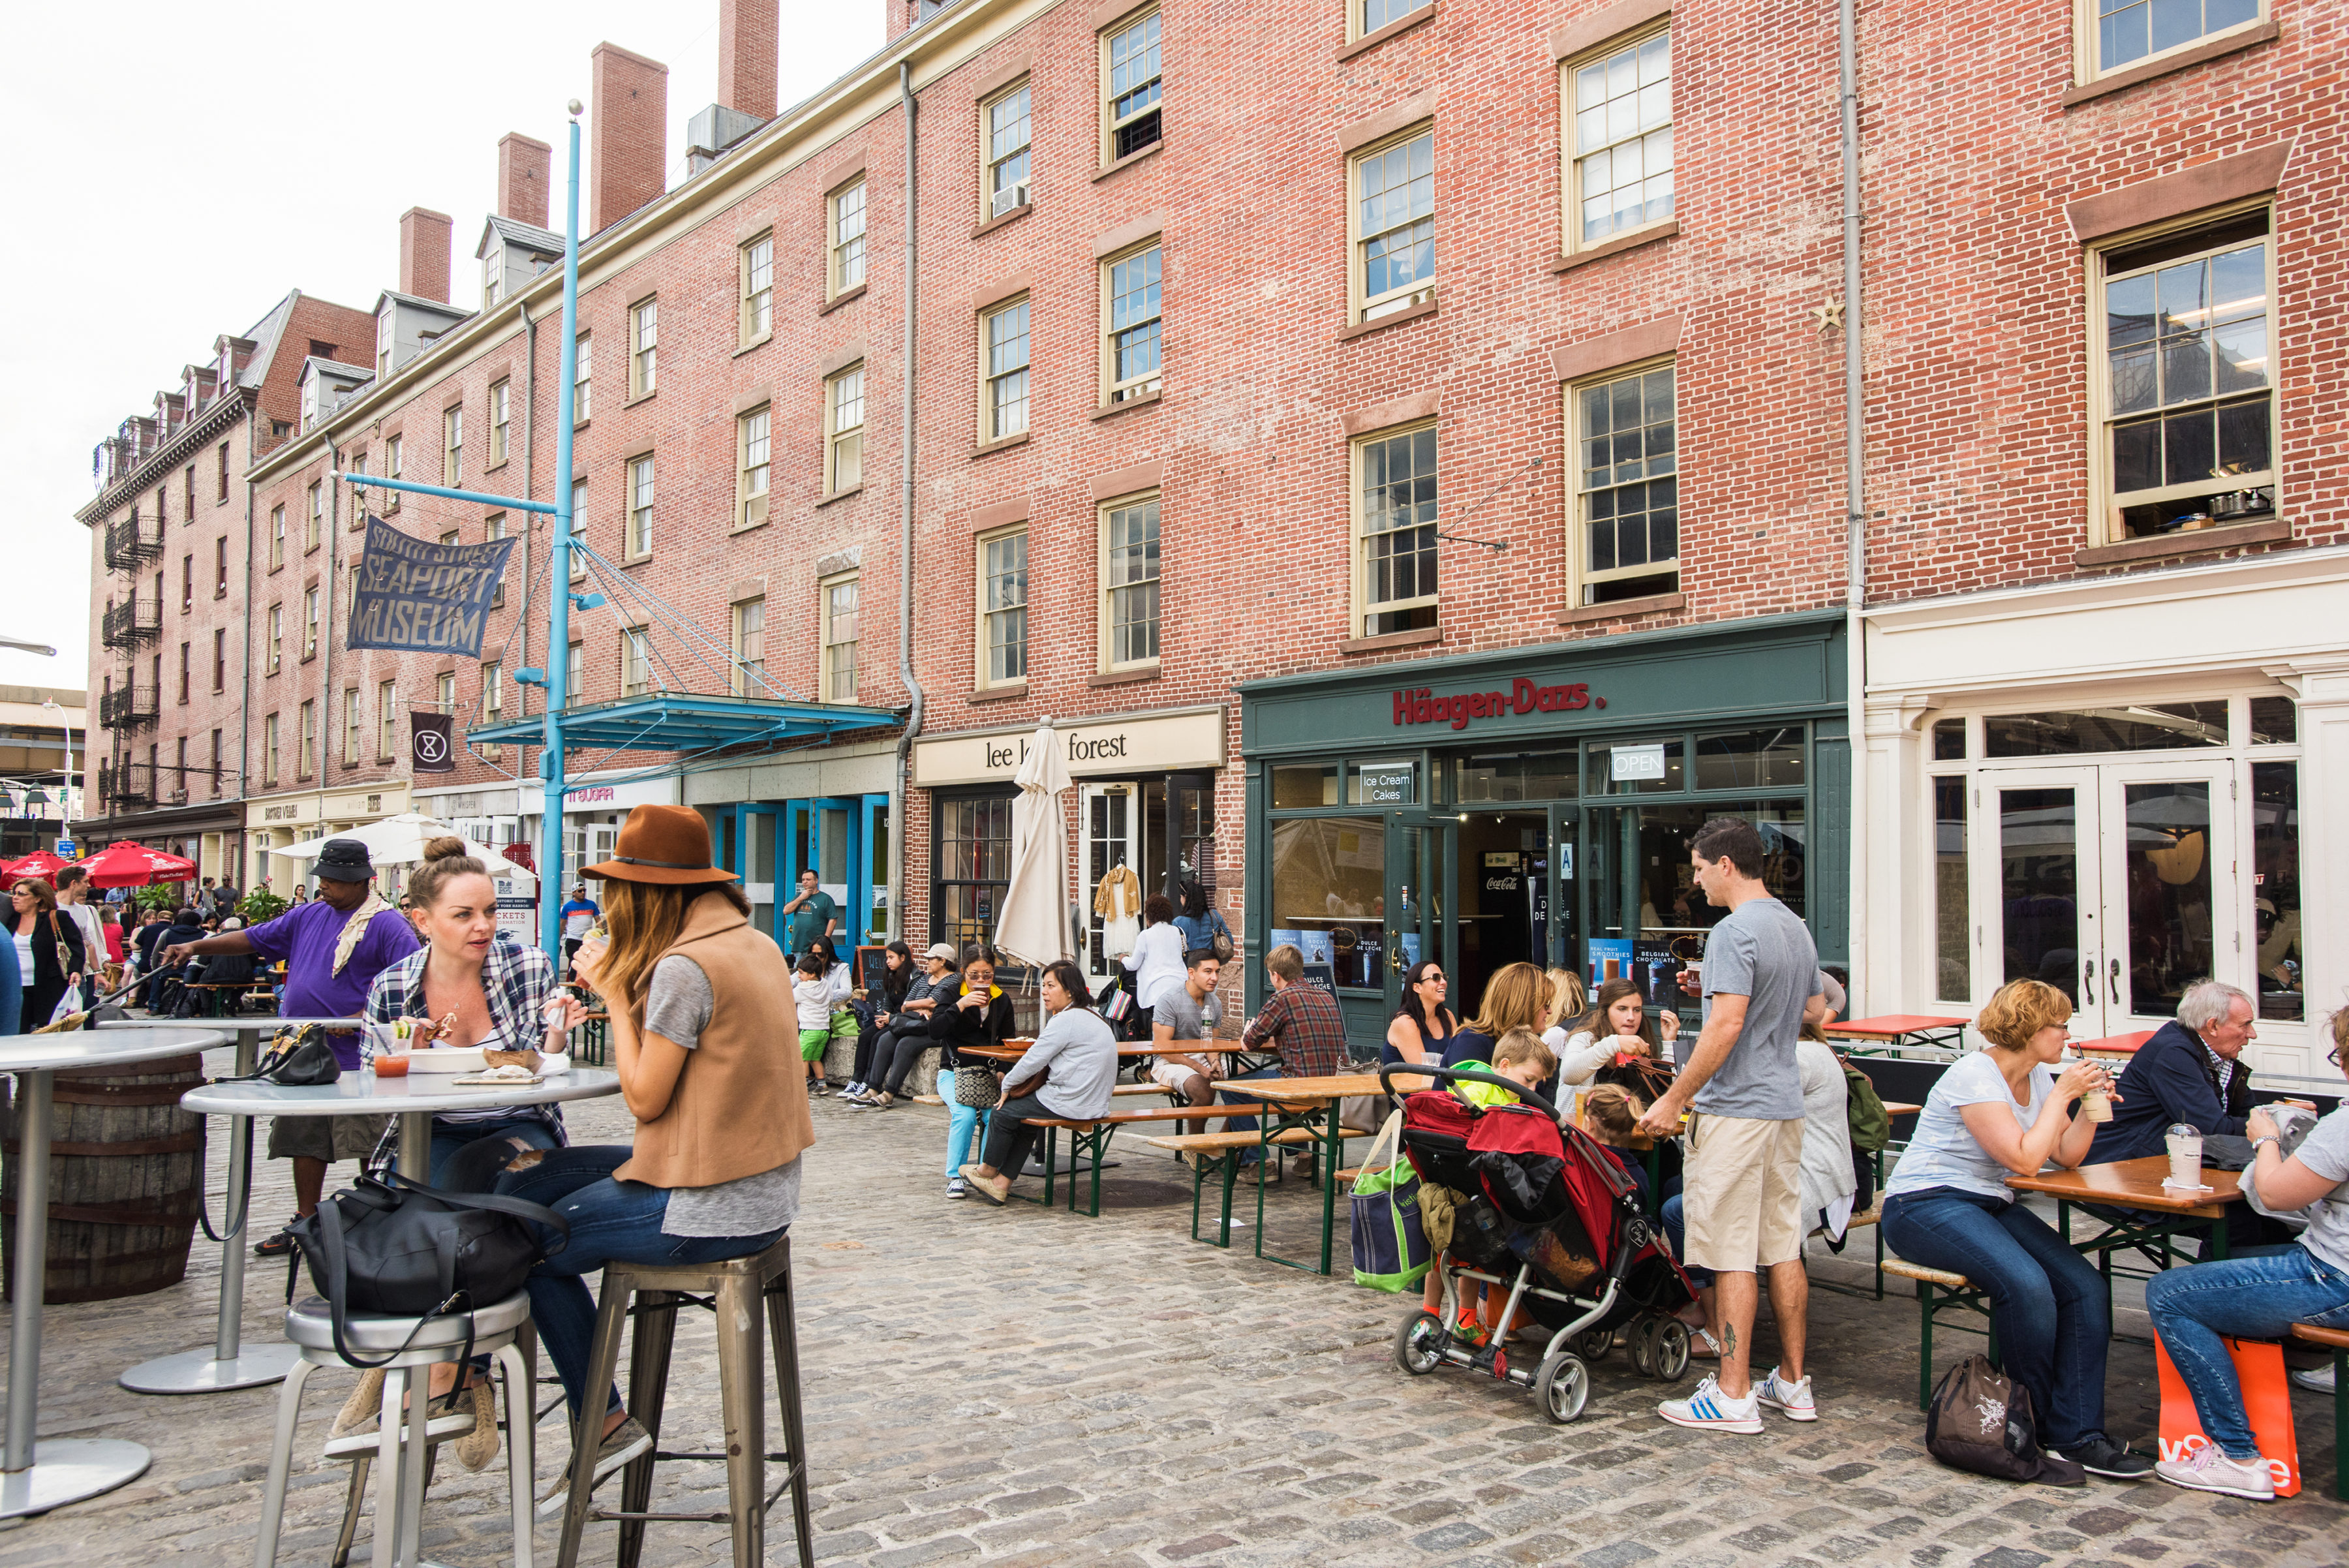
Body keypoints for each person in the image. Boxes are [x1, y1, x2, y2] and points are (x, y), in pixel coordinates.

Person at [489, 801, 809, 1513]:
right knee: (530, 1179)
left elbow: (644, 1098)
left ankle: (600, 1421)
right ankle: (474, 1371)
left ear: (642, 892)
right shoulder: (752, 943)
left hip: (711, 1205)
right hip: (762, 1188)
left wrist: (609, 990)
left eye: (616, 889)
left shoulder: (685, 967)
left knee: (521, 1239)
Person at [1881, 979, 2149, 1480]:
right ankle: (2025, 1426)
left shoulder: (2041, 1078)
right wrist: (2064, 1092)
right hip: (1925, 1202)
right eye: (2060, 1025)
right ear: (2029, 1027)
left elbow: (2066, 1155)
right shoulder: (1974, 1074)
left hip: (1988, 1203)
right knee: (2026, 1286)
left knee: (2085, 1287)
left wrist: (2087, 1103)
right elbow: (2025, 1159)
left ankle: (2078, 1433)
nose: (2068, 1035)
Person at [1640, 816, 1826, 1436]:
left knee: (1729, 1252)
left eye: (1696, 868)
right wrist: (1712, 988)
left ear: (1725, 865)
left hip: (1735, 1107)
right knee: (1780, 1245)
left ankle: (1733, 1389)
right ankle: (1793, 1383)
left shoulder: (1732, 929)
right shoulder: (1794, 928)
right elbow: (1808, 1007)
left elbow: (1725, 1028)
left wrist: (1675, 1098)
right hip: (1783, 1103)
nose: (1693, 880)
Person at [160, 839, 421, 1255]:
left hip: (360, 1059)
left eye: (336, 881)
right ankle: (308, 1222)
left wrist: (359, 1018)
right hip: (304, 1053)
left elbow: (410, 983)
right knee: (305, 1140)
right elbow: (251, 939)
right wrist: (195, 945)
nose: (326, 887)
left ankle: (378, 1221)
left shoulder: (388, 925)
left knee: (369, 1144)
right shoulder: (309, 915)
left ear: (363, 882)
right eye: (324, 879)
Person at [2142, 1005, 2349, 1501]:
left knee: (2170, 1293)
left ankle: (2237, 1455)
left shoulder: (2344, 1126)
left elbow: (2278, 1195)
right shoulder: (2177, 1053)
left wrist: (2268, 1138)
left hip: (2335, 1277)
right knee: (2233, 1256)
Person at [361, 839, 585, 1181]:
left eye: (490, 911)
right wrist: (407, 1053)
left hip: (518, 1120)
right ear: (423, 921)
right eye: (464, 914)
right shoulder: (391, 986)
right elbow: (368, 1089)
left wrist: (557, 1032)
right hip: (431, 1127)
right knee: (424, 1198)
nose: (483, 925)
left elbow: (547, 1065)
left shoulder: (528, 966)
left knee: (496, 1183)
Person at [2085, 979, 2284, 1252]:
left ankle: (2259, 1289)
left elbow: (2242, 1113)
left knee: (2277, 1216)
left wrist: (2281, 1112)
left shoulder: (2213, 1053)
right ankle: (2205, 1291)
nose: (2252, 1035)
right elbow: (2211, 1127)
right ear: (2212, 1025)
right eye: (2245, 1025)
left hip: (2173, 1164)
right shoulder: (2174, 1053)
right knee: (2238, 1219)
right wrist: (2274, 1127)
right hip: (2124, 1172)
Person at [959, 960, 1118, 1205]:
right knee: (1028, 1124)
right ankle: (1001, 1185)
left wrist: (1007, 1086)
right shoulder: (1094, 1015)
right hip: (1096, 1102)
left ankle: (987, 1171)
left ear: (1070, 991)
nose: (1044, 991)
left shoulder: (1066, 1020)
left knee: (1003, 1112)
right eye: (1043, 985)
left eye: (1050, 985)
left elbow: (1032, 1060)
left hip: (1072, 1100)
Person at [1223, 943, 1349, 1179]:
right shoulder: (1326, 996)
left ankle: (1259, 1162)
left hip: (1300, 1086)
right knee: (1285, 1077)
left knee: (1232, 1088)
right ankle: (1304, 1158)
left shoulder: (1281, 998)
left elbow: (1248, 1044)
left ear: (1275, 975)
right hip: (1333, 1086)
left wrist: (1250, 1029)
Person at [932, 944, 1016, 1199]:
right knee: (965, 1115)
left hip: (986, 1073)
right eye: (974, 975)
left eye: (987, 975)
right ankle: (955, 1176)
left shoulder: (1000, 999)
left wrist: (1002, 1069)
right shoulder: (950, 994)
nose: (981, 980)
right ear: (963, 972)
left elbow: (1008, 1040)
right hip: (954, 1071)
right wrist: (960, 1005)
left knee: (996, 1117)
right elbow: (934, 1030)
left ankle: (983, 1174)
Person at [853, 943, 962, 1109]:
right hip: (913, 1023)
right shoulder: (924, 979)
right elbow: (906, 1004)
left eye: (931, 959)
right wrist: (920, 1007)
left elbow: (935, 1003)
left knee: (906, 1044)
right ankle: (873, 1089)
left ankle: (889, 1093)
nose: (927, 962)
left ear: (942, 961)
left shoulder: (953, 980)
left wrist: (923, 1006)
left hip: (935, 1029)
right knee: (886, 1039)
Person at [1554, 977, 1681, 1088]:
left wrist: (1669, 1042)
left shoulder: (1641, 1038)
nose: (1631, 1017)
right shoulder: (1586, 1037)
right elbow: (1569, 1076)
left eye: (1637, 1010)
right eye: (1622, 1009)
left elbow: (1666, 1089)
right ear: (1605, 1011)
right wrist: (1615, 1043)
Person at [1151, 949, 1225, 1134]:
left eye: (1217, 972)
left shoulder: (1215, 1003)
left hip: (1204, 1057)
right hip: (1169, 1061)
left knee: (1248, 1083)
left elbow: (1212, 1043)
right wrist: (1200, 1068)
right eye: (1208, 972)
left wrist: (1215, 1062)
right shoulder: (1169, 1000)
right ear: (1191, 973)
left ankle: (1228, 1143)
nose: (1214, 977)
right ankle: (1195, 1146)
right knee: (1204, 1089)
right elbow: (1163, 1048)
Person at [1439, 962, 1553, 1070]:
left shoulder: (1528, 1045)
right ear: (1525, 1006)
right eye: (1546, 1004)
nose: (1550, 1011)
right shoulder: (1472, 1042)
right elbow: (1469, 1090)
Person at [842, 939, 916, 1100]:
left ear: (903, 958)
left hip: (903, 1020)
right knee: (864, 1037)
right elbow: (887, 1002)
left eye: (891, 957)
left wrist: (892, 1018)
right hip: (890, 1018)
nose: (888, 962)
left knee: (877, 1039)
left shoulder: (914, 978)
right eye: (887, 958)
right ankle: (857, 1079)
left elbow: (910, 1007)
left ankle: (869, 1083)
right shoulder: (891, 976)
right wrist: (882, 1017)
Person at [8, 880, 82, 1032]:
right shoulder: (10, 920)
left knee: (48, 1031)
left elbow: (77, 948)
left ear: (38, 898)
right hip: (17, 987)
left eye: (21, 894)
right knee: (18, 1032)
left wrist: (75, 970)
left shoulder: (57, 917)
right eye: (14, 893)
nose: (15, 897)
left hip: (49, 986)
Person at [1383, 958, 1457, 1094]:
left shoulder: (1448, 1016)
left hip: (1443, 1093)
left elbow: (1458, 1061)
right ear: (1417, 988)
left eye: (1443, 977)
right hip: (1412, 1101)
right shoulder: (1405, 1022)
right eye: (1436, 978)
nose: (1444, 982)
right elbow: (1423, 1075)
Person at [1120, 893, 1185, 1040]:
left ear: (1149, 916)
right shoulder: (1178, 932)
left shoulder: (1145, 935)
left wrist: (1123, 959)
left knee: (1160, 1035)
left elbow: (1133, 965)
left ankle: (1159, 1060)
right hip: (1180, 987)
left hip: (1156, 990)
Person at [53, 865, 106, 1007]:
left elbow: (88, 942)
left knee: (76, 1016)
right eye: (85, 881)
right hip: (55, 973)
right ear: (74, 883)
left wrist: (97, 972)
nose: (89, 885)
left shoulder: (81, 910)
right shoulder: (51, 907)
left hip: (78, 974)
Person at [144, 904, 207, 1010]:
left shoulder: (168, 932)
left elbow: (156, 953)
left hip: (170, 968)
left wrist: (155, 968)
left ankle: (154, 1006)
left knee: (158, 976)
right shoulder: (203, 934)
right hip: (192, 970)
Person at [779, 869, 837, 957]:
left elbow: (833, 920)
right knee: (800, 970)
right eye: (803, 880)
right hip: (798, 946)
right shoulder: (799, 896)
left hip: (816, 947)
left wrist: (825, 940)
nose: (805, 882)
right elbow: (786, 911)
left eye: (808, 880)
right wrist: (801, 898)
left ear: (816, 881)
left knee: (816, 970)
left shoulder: (825, 899)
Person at [1172, 878, 1231, 959]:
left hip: (1190, 966)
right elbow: (1230, 940)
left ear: (1186, 898)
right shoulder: (1214, 915)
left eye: (1181, 897)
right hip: (1211, 963)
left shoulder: (1178, 922)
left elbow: (1173, 950)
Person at [558, 884, 600, 974]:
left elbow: (598, 920)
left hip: (587, 939)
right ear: (574, 893)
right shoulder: (567, 906)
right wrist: (559, 938)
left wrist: (602, 934)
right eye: (580, 891)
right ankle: (575, 986)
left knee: (589, 962)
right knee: (575, 962)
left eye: (584, 890)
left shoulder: (591, 904)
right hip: (573, 938)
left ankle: (587, 984)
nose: (583, 893)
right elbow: (563, 923)